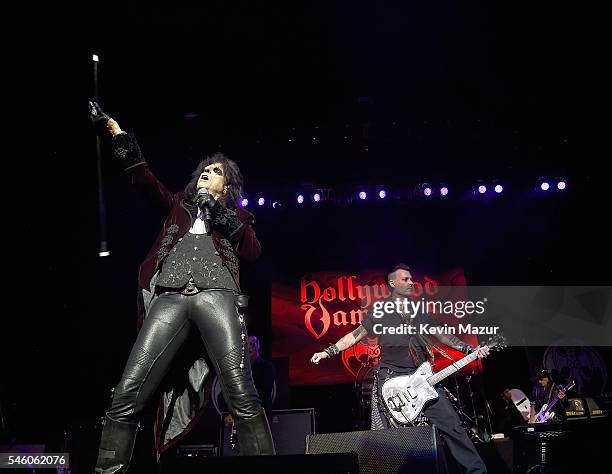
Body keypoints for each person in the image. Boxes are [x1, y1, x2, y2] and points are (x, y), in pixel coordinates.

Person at [89, 101, 275, 473]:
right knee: (128, 391)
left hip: (217, 295)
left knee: (241, 391)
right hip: (170, 297)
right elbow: (143, 178)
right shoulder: (178, 205)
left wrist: (218, 211)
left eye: (216, 171)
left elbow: (253, 251)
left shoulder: (237, 216)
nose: (207, 173)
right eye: (204, 170)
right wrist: (117, 134)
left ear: (228, 185)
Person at [310, 263, 490, 474]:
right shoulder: (380, 311)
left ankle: (477, 472)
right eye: (405, 279)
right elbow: (355, 335)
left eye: (411, 279)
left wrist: (468, 348)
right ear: (392, 283)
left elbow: (442, 335)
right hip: (393, 380)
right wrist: (328, 351)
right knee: (393, 439)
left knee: (453, 427)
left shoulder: (419, 311)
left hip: (423, 380)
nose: (411, 282)